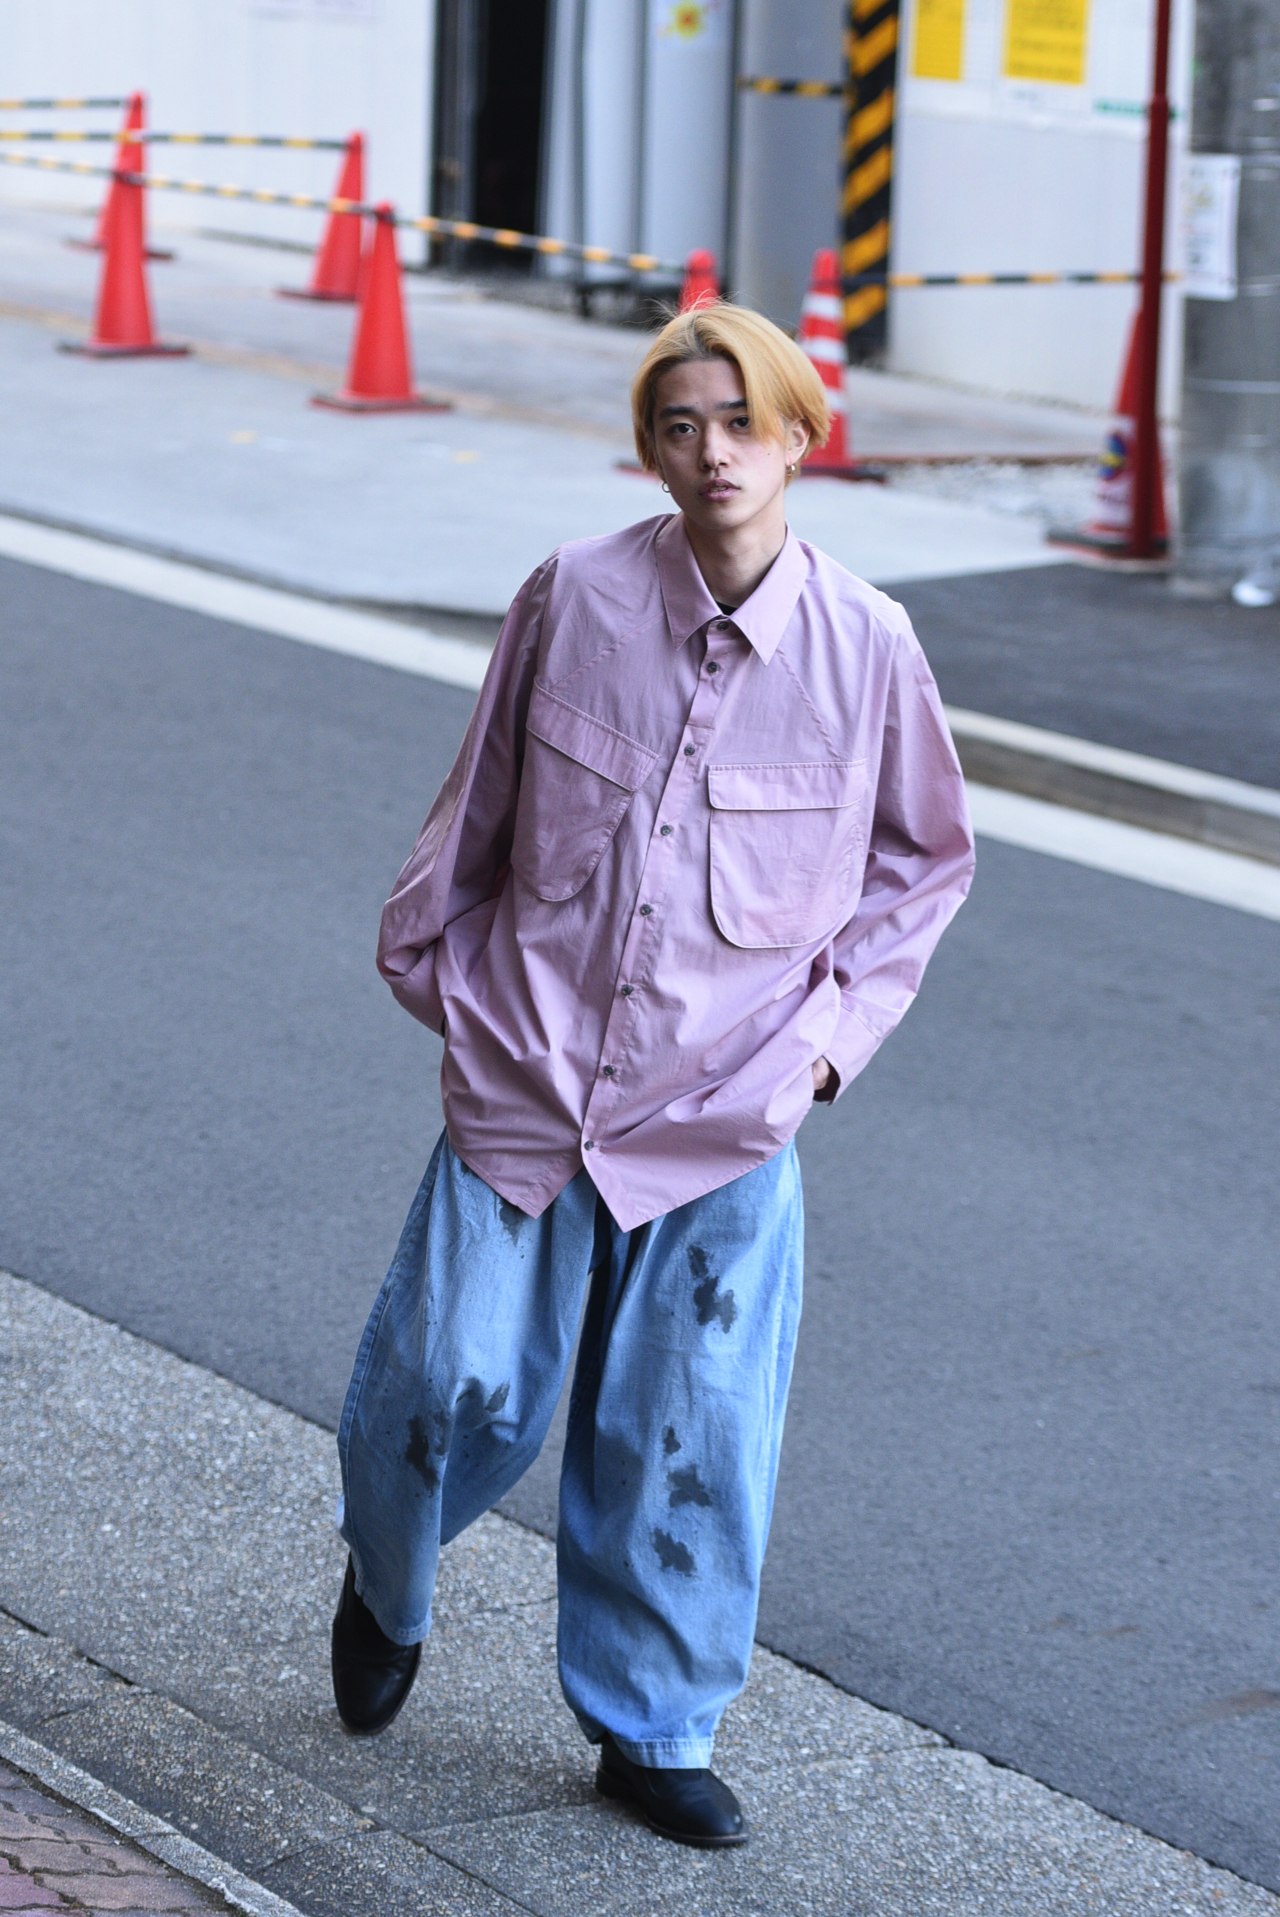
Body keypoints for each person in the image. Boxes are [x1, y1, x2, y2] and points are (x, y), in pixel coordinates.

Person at [331, 300, 975, 1850]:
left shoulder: (868, 645)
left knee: (687, 1433)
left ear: (800, 434)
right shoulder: (576, 595)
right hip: (533, 1069)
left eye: (742, 422)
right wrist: (443, 976)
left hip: (725, 1114)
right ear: (652, 448)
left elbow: (923, 865)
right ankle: (388, 1576)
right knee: (444, 1374)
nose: (712, 454)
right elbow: (481, 798)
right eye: (680, 426)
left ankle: (653, 1724)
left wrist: (822, 1054)